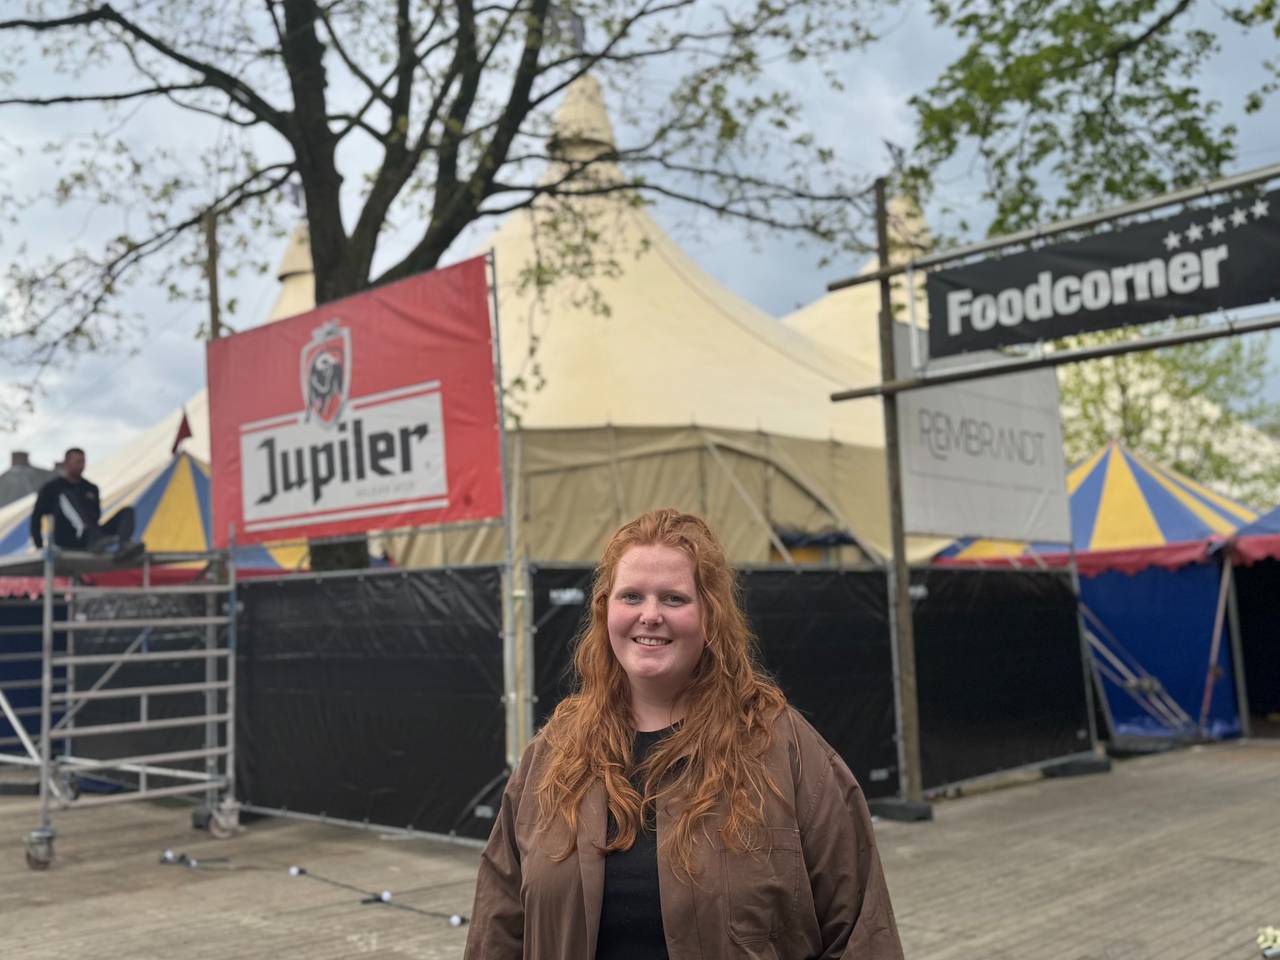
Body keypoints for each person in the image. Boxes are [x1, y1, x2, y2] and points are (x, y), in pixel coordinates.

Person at [465, 508, 903, 959]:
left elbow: (862, 931)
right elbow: (498, 929)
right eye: (631, 596)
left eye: (674, 599)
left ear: (710, 615)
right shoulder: (554, 756)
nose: (650, 615)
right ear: (605, 611)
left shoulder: (781, 749)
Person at [29, 447, 138, 554]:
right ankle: (93, 538)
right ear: (67, 463)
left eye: (83, 462)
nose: (81, 466)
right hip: (68, 539)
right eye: (77, 462)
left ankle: (124, 545)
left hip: (94, 536)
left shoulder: (90, 488)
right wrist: (39, 546)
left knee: (127, 511)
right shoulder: (53, 488)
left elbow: (97, 515)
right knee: (66, 496)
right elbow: (36, 516)